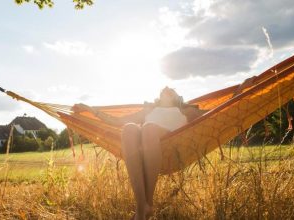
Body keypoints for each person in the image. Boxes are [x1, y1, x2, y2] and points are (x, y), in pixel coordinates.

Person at [72, 87, 206, 220]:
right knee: (129, 128)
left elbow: (217, 113)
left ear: (178, 97)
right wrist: (88, 108)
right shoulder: (149, 110)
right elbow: (116, 121)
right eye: (164, 89)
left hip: (170, 143)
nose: (167, 88)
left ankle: (147, 203)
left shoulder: (186, 110)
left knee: (149, 128)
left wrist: (228, 102)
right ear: (159, 97)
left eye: (172, 89)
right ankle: (142, 207)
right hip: (146, 146)